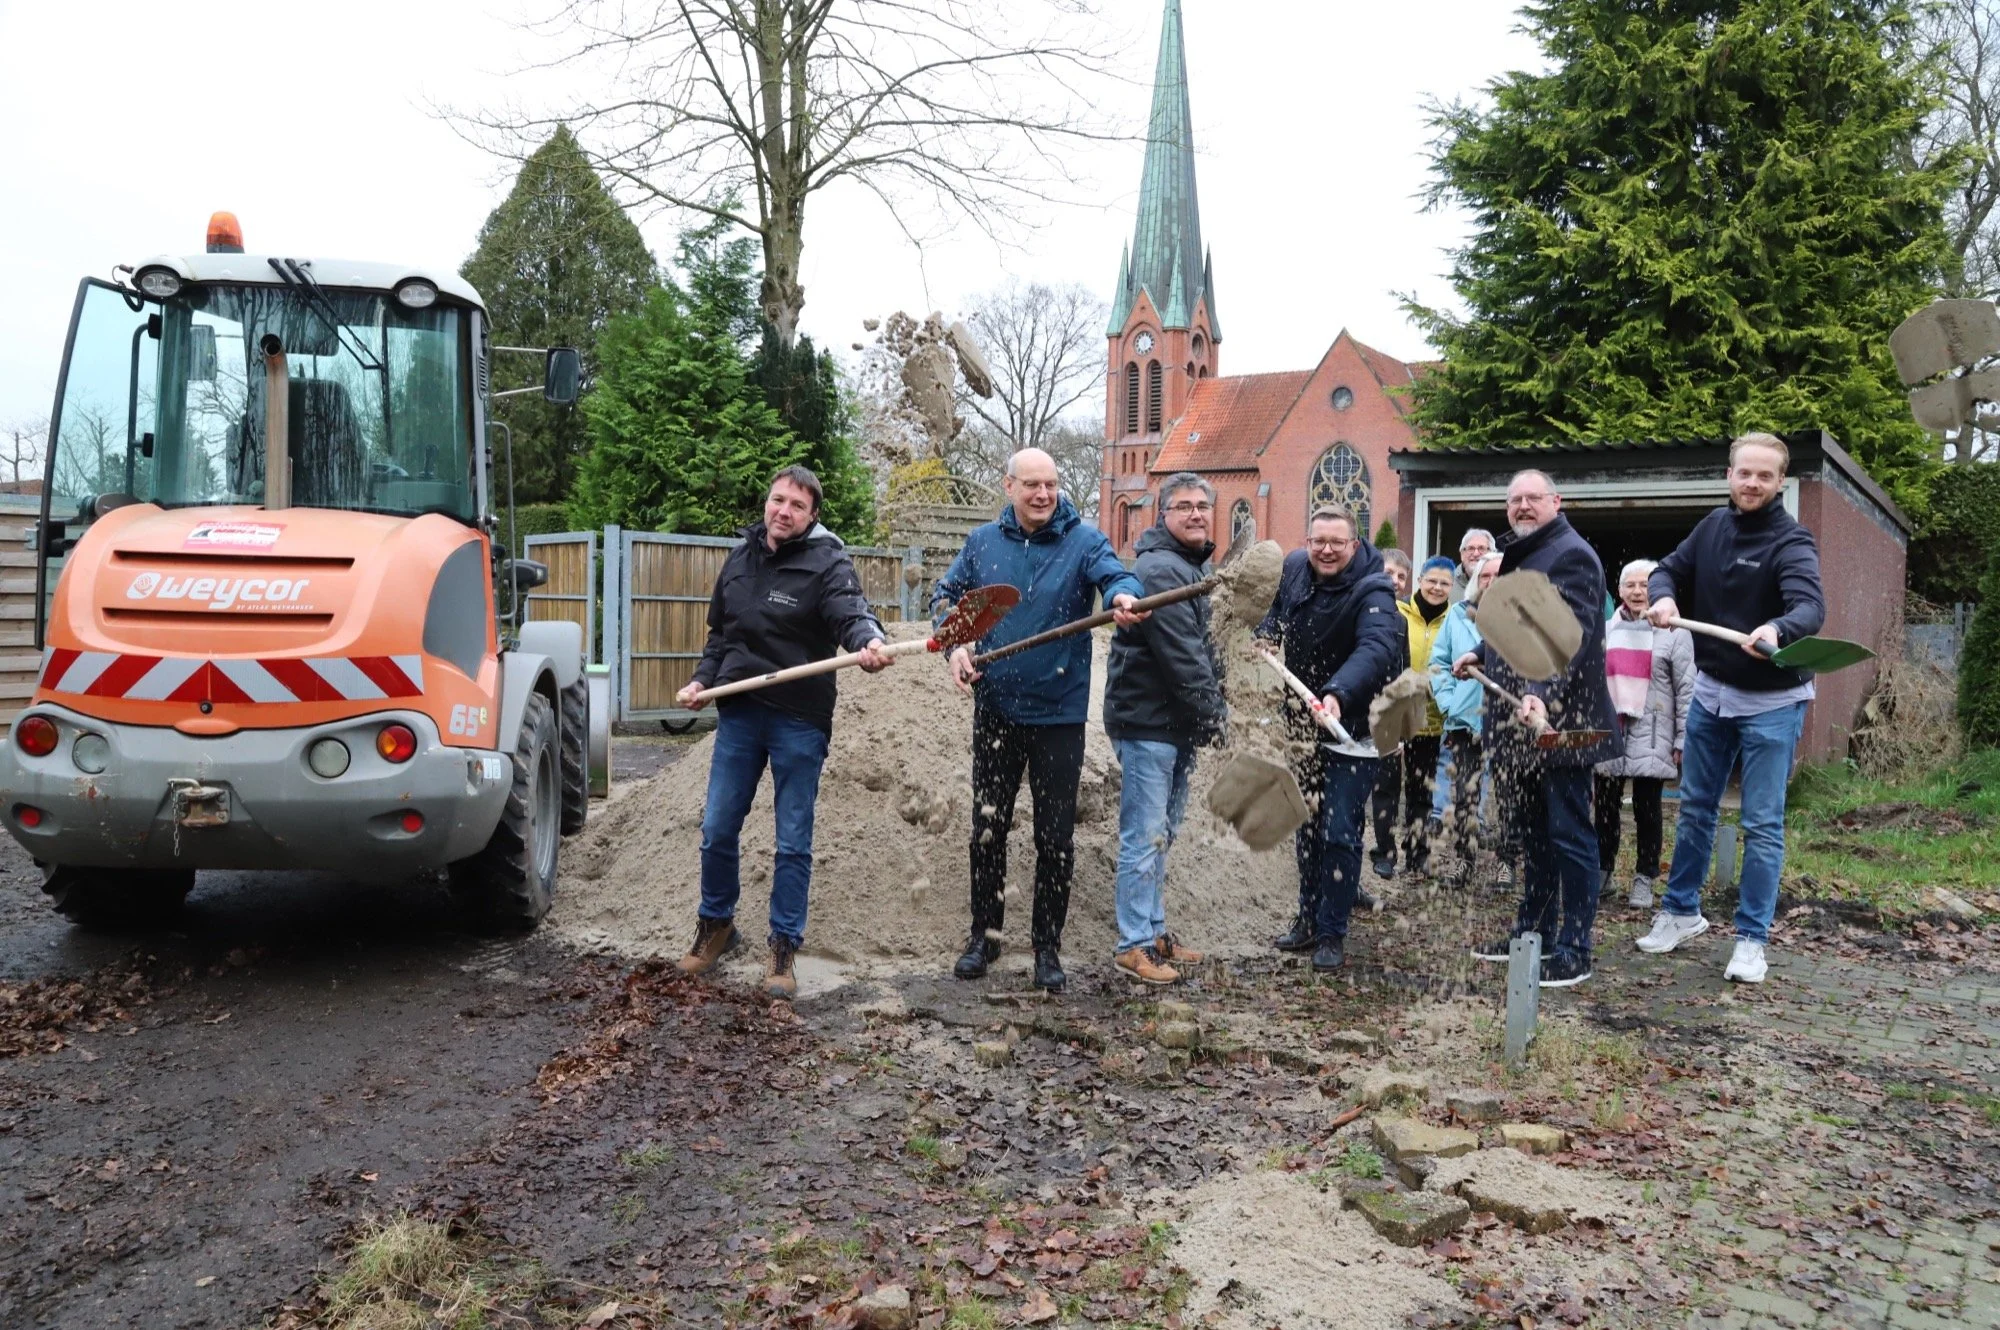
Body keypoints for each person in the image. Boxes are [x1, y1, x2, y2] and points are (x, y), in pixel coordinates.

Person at [674, 466, 896, 999]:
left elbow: (851, 615)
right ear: (767, 502)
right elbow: (720, 636)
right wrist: (703, 680)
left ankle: (783, 945)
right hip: (740, 711)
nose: (784, 511)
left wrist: (868, 642)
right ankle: (717, 925)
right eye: (778, 500)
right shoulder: (740, 558)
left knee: (792, 838)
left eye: (797, 506)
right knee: (718, 827)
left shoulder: (828, 562)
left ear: (812, 515)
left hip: (799, 717)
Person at [936, 448, 1146, 994]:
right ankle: (984, 938)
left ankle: (1046, 947)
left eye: (1050, 485)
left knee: (1055, 838)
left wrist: (1125, 595)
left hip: (1059, 714)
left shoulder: (1083, 541)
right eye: (1031, 484)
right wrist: (955, 645)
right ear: (1008, 486)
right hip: (997, 710)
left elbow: (1117, 576)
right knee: (988, 829)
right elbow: (946, 599)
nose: (1043, 495)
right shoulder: (983, 544)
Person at [1637, 433, 1825, 984]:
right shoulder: (1711, 529)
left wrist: (1776, 628)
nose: (1752, 484)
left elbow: (1810, 606)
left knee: (1761, 822)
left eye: (1765, 476)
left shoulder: (1792, 541)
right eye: (1745, 473)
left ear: (1779, 483)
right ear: (1729, 474)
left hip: (1772, 699)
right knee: (1695, 806)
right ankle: (1681, 912)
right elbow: (1667, 570)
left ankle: (1751, 939)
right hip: (1713, 691)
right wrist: (1665, 595)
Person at [1455, 470, 1618, 988]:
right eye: (1514, 500)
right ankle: (1533, 933)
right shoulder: (1522, 555)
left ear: (1556, 501)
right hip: (1513, 723)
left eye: (1533, 498)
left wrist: (1540, 694)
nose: (1523, 506)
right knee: (1532, 835)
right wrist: (1478, 652)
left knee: (1569, 836)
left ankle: (1576, 947)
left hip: (1560, 725)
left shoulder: (1572, 556)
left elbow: (1565, 635)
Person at [1260, 506, 1405, 973]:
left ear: (1355, 545)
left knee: (1340, 829)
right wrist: (1265, 634)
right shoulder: (1295, 569)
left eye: (1336, 543)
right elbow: (1278, 613)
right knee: (1307, 823)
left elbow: (1377, 647)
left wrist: (1339, 693)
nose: (1325, 550)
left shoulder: (1375, 588)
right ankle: (1307, 916)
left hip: (1354, 728)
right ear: (1307, 540)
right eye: (1317, 540)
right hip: (1303, 724)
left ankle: (1331, 930)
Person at [1103, 473, 1228, 985]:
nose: (1196, 514)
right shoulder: (1160, 571)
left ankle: (1154, 932)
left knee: (1161, 836)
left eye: (1202, 505)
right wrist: (1219, 720)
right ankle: (1132, 945)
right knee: (1144, 836)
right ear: (1164, 516)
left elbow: (1205, 649)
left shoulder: (1186, 566)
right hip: (1147, 720)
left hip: (1173, 723)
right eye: (1184, 507)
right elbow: (1183, 656)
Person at [1595, 559, 1694, 911]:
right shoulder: (1604, 629)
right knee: (1604, 809)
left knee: (1648, 811)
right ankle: (1603, 871)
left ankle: (1644, 877)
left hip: (1653, 734)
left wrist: (1683, 739)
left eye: (1645, 585)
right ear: (1619, 590)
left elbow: (1687, 690)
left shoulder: (1675, 632)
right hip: (1610, 732)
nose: (1638, 592)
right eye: (1630, 585)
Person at [1429, 551, 1500, 888]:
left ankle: (1506, 863)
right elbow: (1439, 663)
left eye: (1500, 575)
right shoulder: (1457, 616)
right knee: (1465, 797)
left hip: (1507, 721)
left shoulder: (1519, 617)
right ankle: (1465, 861)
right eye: (1486, 576)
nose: (1492, 582)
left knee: (1509, 797)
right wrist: (1449, 702)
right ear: (1476, 581)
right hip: (1464, 720)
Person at [1390, 556, 1455, 875]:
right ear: (1420, 581)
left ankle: (1417, 854)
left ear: (1452, 587)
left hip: (1430, 720)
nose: (1437, 588)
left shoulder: (1454, 621)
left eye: (1444, 583)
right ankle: (1383, 853)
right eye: (1432, 581)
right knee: (1386, 788)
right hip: (1395, 713)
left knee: (1420, 790)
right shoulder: (1398, 611)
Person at [1368, 549, 1415, 879]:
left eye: (1401, 577)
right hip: (1355, 713)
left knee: (1387, 787)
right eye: (1388, 573)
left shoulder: (1401, 622)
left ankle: (1384, 852)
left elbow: (1405, 674)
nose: (1395, 582)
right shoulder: (1358, 609)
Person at [1453, 528, 1495, 601]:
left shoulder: (1502, 583)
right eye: (1471, 548)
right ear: (1462, 555)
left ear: (1493, 553)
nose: (1476, 554)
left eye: (1481, 548)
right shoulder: (1447, 583)